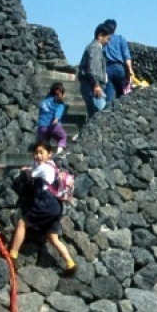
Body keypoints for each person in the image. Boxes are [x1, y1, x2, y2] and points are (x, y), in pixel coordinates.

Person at [8, 142, 76, 276]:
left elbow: (29, 176)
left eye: (41, 152)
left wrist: (24, 170)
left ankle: (13, 255)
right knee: (52, 237)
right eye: (36, 153)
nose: (38, 156)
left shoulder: (44, 167)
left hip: (46, 203)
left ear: (49, 154)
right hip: (56, 205)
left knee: (22, 223)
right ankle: (70, 263)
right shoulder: (53, 166)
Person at [78, 23, 112, 117]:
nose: (108, 42)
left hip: (90, 85)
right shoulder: (96, 47)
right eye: (107, 39)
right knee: (101, 115)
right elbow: (93, 68)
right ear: (100, 36)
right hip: (93, 86)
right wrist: (96, 85)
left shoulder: (92, 47)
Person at [101, 18, 135, 103]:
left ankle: (107, 112)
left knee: (109, 94)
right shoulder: (120, 39)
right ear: (115, 28)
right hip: (119, 68)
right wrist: (130, 71)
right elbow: (127, 57)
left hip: (107, 68)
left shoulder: (103, 40)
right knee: (122, 93)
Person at [37, 82, 68, 153]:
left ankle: (43, 156)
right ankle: (59, 152)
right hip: (53, 126)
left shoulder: (43, 101)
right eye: (63, 93)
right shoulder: (59, 103)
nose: (64, 96)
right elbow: (59, 111)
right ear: (59, 92)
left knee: (44, 144)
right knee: (62, 136)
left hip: (41, 127)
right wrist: (56, 118)